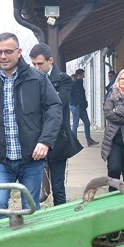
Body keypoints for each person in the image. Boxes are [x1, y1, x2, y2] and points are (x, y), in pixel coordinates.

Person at [0, 33, 62, 217]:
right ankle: (2, 245)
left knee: (30, 208)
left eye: (7, 51)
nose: (3, 56)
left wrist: (45, 141)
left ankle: (30, 244)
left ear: (19, 52)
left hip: (31, 158)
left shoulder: (37, 79)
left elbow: (54, 107)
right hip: (0, 159)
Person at [30, 43, 82, 206]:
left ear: (50, 60)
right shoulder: (32, 80)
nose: (36, 68)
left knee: (58, 186)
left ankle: (62, 220)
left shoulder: (64, 79)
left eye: (40, 64)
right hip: (36, 139)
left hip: (59, 139)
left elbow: (59, 102)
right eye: (34, 64)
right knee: (33, 187)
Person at [70, 68, 96, 146]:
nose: (84, 76)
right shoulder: (73, 83)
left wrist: (84, 104)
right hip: (76, 107)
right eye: (83, 75)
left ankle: (89, 140)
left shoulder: (80, 82)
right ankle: (74, 141)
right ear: (79, 75)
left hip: (81, 107)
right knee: (75, 124)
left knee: (87, 123)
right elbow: (69, 95)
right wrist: (76, 104)